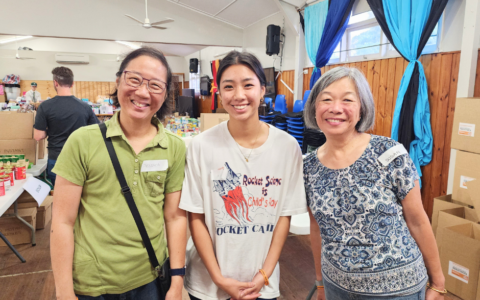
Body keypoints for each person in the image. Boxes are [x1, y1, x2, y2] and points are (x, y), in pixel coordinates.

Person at [50, 47, 187, 300]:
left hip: (151, 278)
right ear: (118, 80)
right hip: (93, 283)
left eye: (155, 85)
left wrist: (177, 281)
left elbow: (175, 217)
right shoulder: (82, 141)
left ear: (166, 93)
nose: (143, 92)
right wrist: (64, 292)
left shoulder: (174, 147)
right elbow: (62, 221)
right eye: (134, 79)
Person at [303, 67, 445, 300]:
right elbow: (317, 228)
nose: (335, 108)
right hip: (336, 286)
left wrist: (438, 283)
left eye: (347, 100)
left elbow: (418, 221)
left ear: (361, 109)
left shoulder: (389, 153)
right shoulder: (308, 166)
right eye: (326, 99)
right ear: (314, 108)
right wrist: (320, 283)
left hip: (397, 289)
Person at [179, 51, 308, 300]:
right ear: (219, 93)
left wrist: (264, 274)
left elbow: (284, 216)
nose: (238, 95)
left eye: (248, 85)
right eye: (228, 86)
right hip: (208, 284)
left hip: (260, 282)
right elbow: (196, 217)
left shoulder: (287, 146)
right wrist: (218, 278)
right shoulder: (201, 145)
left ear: (262, 90)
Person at [33, 67, 98, 187]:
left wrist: (51, 130)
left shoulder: (45, 107)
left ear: (55, 83)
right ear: (72, 84)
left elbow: (38, 136)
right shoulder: (84, 107)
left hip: (57, 158)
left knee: (60, 199)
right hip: (80, 159)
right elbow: (97, 132)